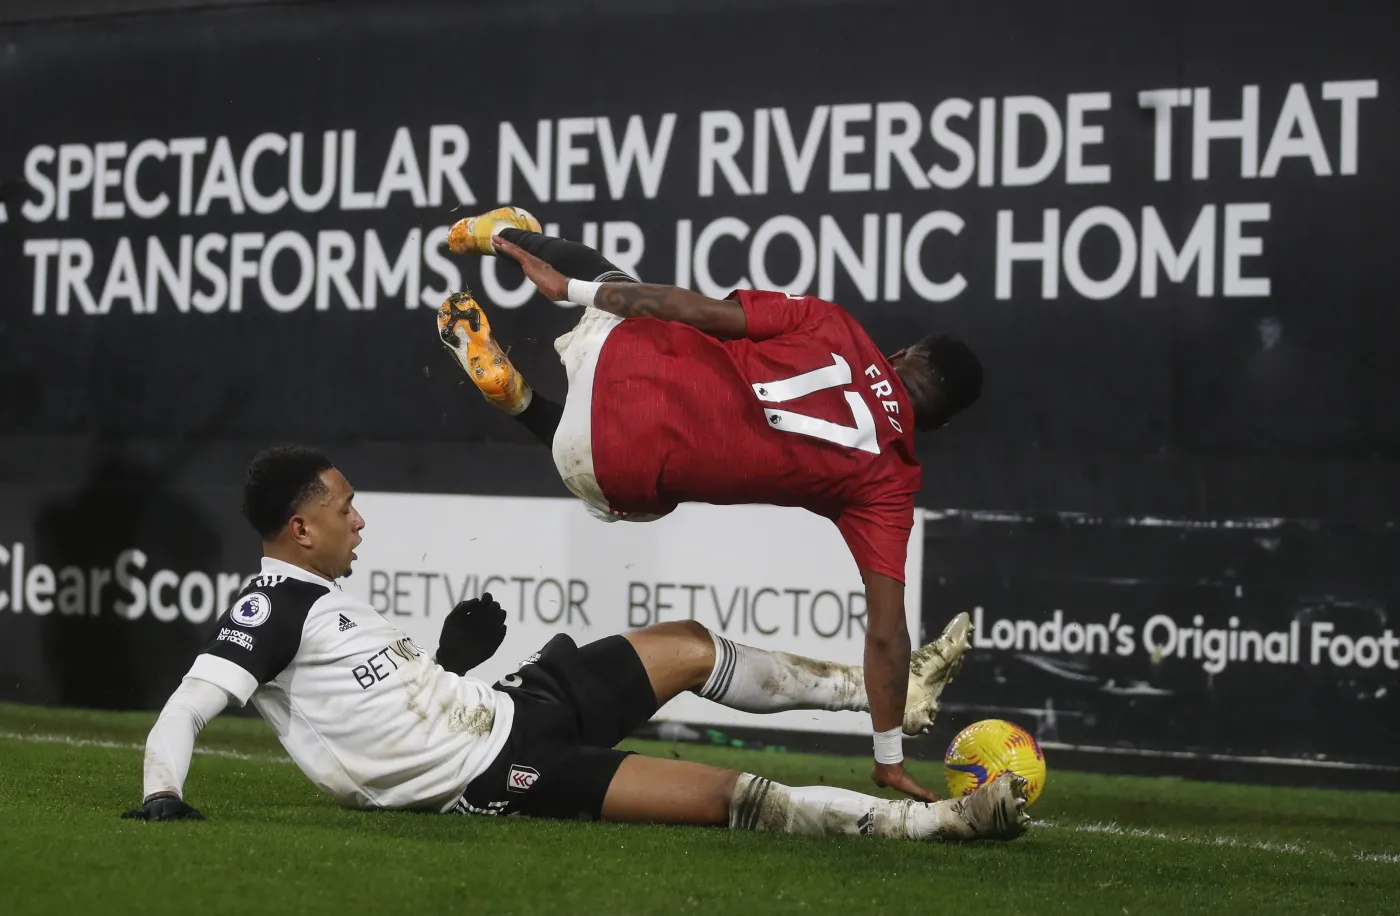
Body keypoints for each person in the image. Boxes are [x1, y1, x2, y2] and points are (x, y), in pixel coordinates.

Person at [122, 445, 1028, 843]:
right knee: (732, 796)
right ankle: (942, 822)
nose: (360, 519)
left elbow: (384, 710)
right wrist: (164, 797)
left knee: (684, 643)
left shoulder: (326, 600)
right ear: (299, 528)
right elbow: (185, 710)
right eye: (343, 507)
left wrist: (450, 661)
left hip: (510, 706)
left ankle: (894, 700)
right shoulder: (271, 607)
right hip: (492, 775)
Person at [437, 207, 984, 801]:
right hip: (601, 469)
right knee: (633, 482)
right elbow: (885, 634)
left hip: (622, 359)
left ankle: (505, 235)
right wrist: (888, 758)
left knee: (619, 287)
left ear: (901, 352)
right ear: (941, 422)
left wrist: (571, 290)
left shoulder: (835, 324)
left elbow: (686, 306)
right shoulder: (889, 482)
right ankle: (520, 402)